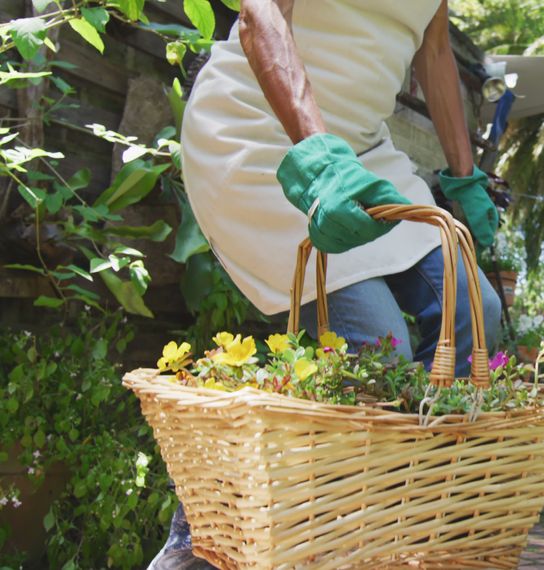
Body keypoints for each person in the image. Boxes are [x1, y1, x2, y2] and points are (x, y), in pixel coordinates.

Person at [149, 0, 502, 567]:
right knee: (375, 348)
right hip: (259, 135)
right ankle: (204, 538)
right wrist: (321, 158)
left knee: (473, 308)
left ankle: (415, 519)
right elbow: (260, 15)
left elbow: (435, 52)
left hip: (363, 155)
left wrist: (465, 176)